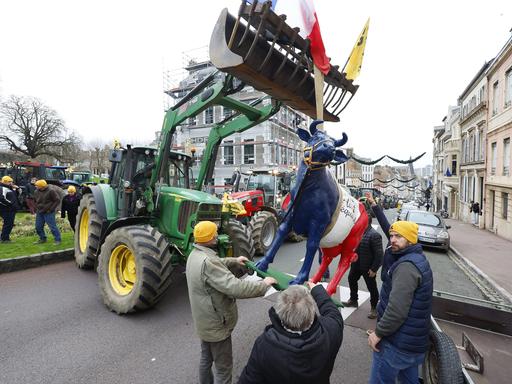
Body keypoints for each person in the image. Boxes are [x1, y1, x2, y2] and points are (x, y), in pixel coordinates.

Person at [186, 220, 277, 384]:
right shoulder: (208, 262)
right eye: (213, 233)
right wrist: (263, 285)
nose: (216, 235)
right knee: (224, 369)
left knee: (206, 359)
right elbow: (236, 288)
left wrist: (234, 260)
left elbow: (215, 264)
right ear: (207, 238)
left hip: (204, 321)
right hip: (217, 326)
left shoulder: (194, 255)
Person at [366, 219, 433, 383]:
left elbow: (396, 311)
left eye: (398, 236)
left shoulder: (406, 267)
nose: (392, 240)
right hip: (412, 344)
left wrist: (378, 333)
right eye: (391, 236)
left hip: (395, 345)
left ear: (410, 240)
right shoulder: (417, 259)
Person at [238, 282, 344, 384]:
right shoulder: (330, 331)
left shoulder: (264, 345)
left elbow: (249, 379)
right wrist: (317, 289)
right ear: (311, 311)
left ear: (280, 313)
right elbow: (333, 312)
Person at [342, 215, 383, 319]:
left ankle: (374, 308)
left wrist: (374, 269)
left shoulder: (374, 235)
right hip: (356, 265)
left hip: (368, 268)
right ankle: (353, 300)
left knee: (372, 288)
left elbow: (379, 255)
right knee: (351, 279)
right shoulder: (358, 232)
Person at [33, 179, 62, 245]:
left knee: (52, 227)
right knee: (38, 227)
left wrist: (51, 209)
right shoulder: (36, 191)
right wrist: (36, 208)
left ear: (42, 186)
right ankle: (42, 238)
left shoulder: (51, 191)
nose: (36, 187)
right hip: (40, 212)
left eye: (37, 185)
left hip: (49, 212)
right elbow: (35, 200)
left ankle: (58, 239)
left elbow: (57, 200)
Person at [0, 176, 20, 243]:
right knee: (8, 224)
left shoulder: (10, 188)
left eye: (11, 181)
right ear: (5, 181)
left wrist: (17, 189)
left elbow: (16, 196)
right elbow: (1, 199)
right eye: (9, 181)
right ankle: (5, 239)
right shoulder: (2, 188)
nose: (11, 183)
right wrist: (10, 204)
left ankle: (5, 238)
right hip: (6, 209)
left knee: (10, 224)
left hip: (11, 209)